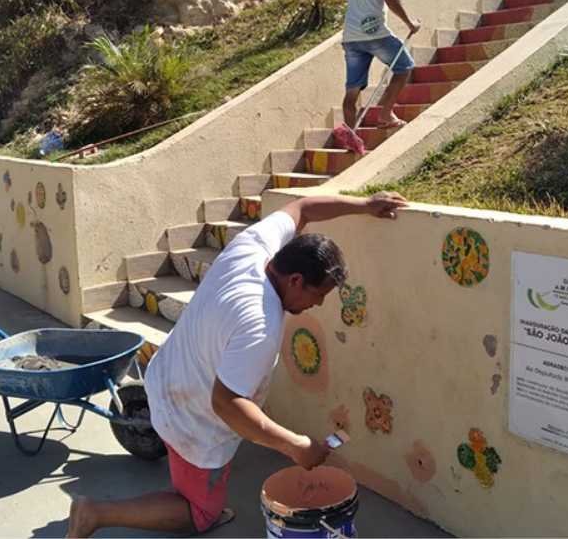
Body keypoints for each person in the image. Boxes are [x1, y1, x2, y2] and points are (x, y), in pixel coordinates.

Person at [66, 191, 409, 538]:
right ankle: (95, 513)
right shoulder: (260, 325)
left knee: (197, 469)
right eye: (318, 294)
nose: (318, 304)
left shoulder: (254, 247)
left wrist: (365, 205)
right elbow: (226, 404)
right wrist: (296, 446)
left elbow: (304, 208)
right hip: (192, 415)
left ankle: (188, 487)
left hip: (170, 373)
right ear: (295, 281)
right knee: (199, 513)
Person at [341, 0, 422, 135]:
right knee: (404, 67)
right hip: (374, 33)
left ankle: (351, 137)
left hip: (351, 37)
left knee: (352, 90)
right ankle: (385, 114)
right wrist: (410, 23)